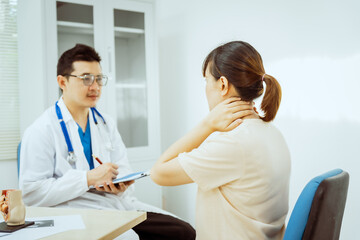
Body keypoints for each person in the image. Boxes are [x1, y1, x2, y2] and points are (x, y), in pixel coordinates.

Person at [19, 44, 196, 240]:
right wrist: (87, 178)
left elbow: (123, 167)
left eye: (99, 79)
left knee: (184, 232)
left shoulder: (105, 123)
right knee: (128, 238)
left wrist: (122, 185)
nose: (95, 87)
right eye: (86, 79)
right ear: (62, 81)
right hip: (73, 212)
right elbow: (31, 193)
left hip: (115, 205)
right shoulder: (41, 130)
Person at [150, 41, 291, 240]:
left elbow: (158, 173)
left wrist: (207, 125)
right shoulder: (272, 132)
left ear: (223, 84)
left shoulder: (233, 143)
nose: (206, 88)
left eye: (207, 80)